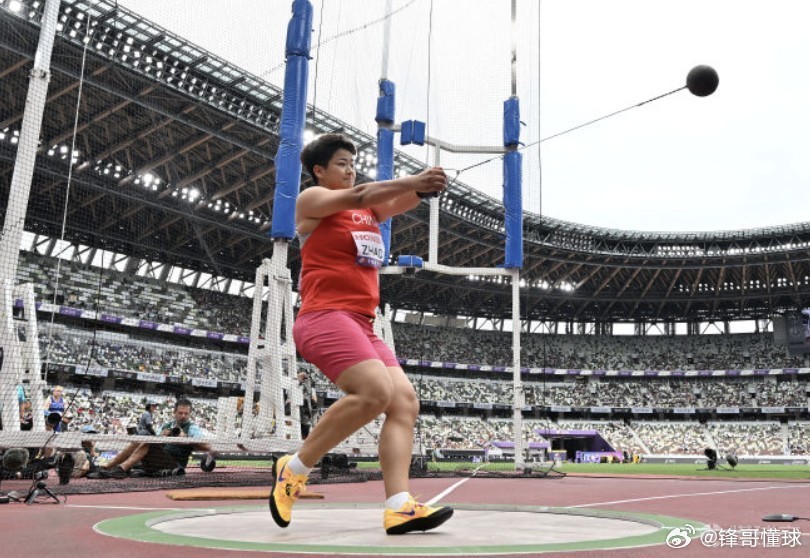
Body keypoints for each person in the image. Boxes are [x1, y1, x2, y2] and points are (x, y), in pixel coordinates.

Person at [269, 133, 453, 535]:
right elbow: (365, 194)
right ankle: (294, 468)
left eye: (353, 163)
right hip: (324, 316)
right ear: (319, 171)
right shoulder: (311, 200)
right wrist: (414, 179)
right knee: (374, 392)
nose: (350, 170)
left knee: (404, 401)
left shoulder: (368, 210)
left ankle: (399, 506)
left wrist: (426, 189)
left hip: (362, 323)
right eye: (341, 163)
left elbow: (395, 202)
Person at [89, 398, 211, 479]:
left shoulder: (192, 428)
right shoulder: (166, 426)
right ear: (174, 412)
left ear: (190, 414)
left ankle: (121, 469)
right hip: (157, 461)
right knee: (140, 441)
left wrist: (187, 439)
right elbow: (154, 441)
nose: (183, 416)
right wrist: (161, 437)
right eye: (180, 413)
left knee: (147, 442)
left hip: (174, 465)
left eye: (186, 413)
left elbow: (207, 446)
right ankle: (106, 468)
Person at [297, 371, 318, 440]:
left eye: (298, 377)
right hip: (305, 412)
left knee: (305, 428)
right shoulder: (309, 388)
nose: (297, 378)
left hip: (305, 412)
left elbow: (314, 400)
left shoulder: (303, 387)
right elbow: (314, 400)